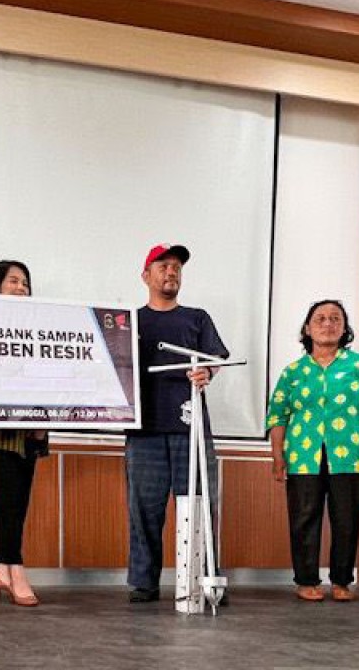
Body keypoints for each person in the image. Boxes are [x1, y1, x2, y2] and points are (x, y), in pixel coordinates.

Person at [266, 299, 359, 602]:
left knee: (347, 519)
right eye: (320, 318)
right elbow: (277, 414)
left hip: (350, 454)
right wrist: (277, 455)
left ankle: (341, 581)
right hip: (303, 457)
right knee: (304, 517)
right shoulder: (293, 371)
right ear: (308, 328)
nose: (327, 323)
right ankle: (306, 580)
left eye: (335, 318)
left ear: (344, 328)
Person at [127, 243, 228, 603]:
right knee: (144, 508)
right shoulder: (129, 320)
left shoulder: (196, 317)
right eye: (163, 266)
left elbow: (215, 359)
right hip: (144, 429)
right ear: (146, 276)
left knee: (201, 504)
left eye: (176, 268)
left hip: (192, 427)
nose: (171, 273)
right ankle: (144, 582)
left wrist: (207, 371)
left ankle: (208, 581)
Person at [0, 260, 47, 607]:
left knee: (17, 504)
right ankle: (16, 571)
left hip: (30, 429)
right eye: (13, 281)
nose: (21, 288)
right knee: (4, 502)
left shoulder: (40, 327)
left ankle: (1, 570)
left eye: (25, 283)